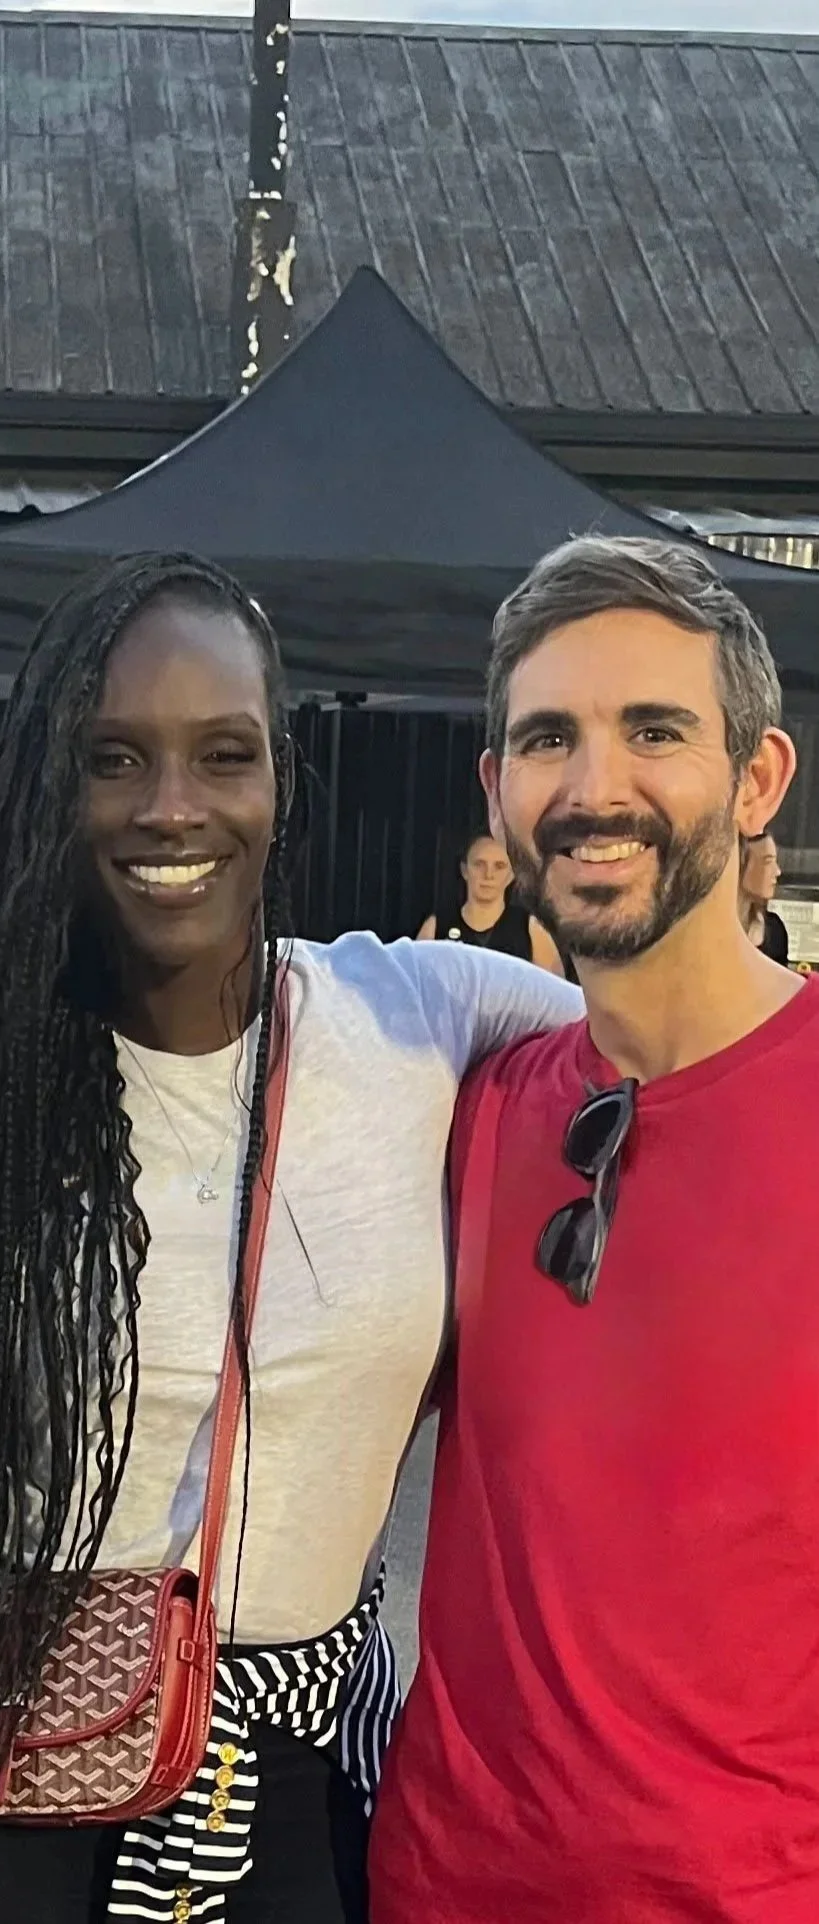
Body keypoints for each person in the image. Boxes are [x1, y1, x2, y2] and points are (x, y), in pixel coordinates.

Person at [0, 552, 581, 1924]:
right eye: (112, 759)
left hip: (285, 1801)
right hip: (1, 1809)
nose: (170, 807)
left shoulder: (417, 1021)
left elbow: (692, 1057)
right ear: (43, 791)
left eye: (221, 754)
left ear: (280, 781)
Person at [369, 534, 818, 1923]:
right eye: (546, 737)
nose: (592, 787)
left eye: (652, 731)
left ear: (753, 780)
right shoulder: (467, 1115)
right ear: (496, 788)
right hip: (431, 1884)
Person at [417, 831, 562, 970]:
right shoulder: (435, 928)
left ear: (511, 874)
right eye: (479, 864)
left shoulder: (532, 930)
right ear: (464, 870)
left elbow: (556, 991)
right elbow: (414, 986)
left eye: (499, 866)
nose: (488, 875)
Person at [740, 828, 790, 964]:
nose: (777, 871)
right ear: (740, 865)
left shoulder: (774, 930)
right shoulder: (706, 928)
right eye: (767, 862)